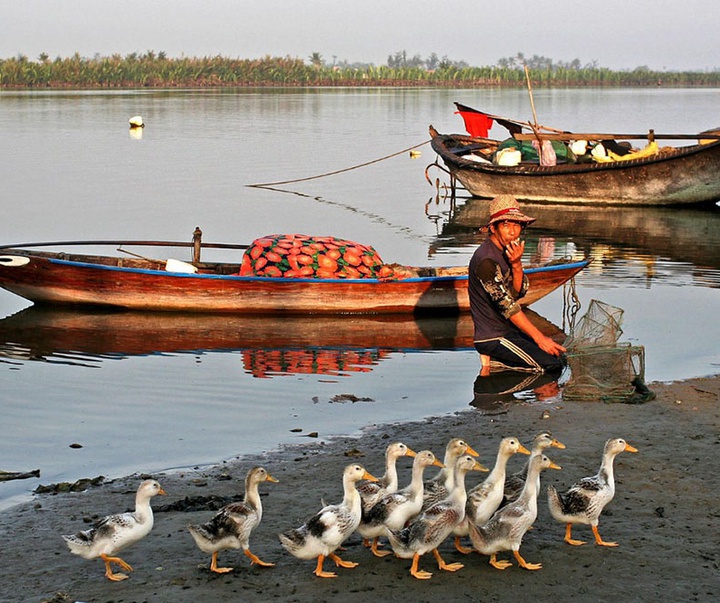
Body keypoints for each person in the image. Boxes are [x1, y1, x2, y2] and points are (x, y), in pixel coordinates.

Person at [468, 195, 566, 375]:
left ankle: (499, 363)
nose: (513, 231)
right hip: (493, 336)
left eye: (517, 225)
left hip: (509, 331)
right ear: (493, 228)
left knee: (558, 357)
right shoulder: (486, 260)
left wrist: (516, 264)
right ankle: (497, 363)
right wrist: (540, 338)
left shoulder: (507, 252)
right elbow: (508, 306)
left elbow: (517, 293)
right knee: (551, 366)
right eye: (506, 225)